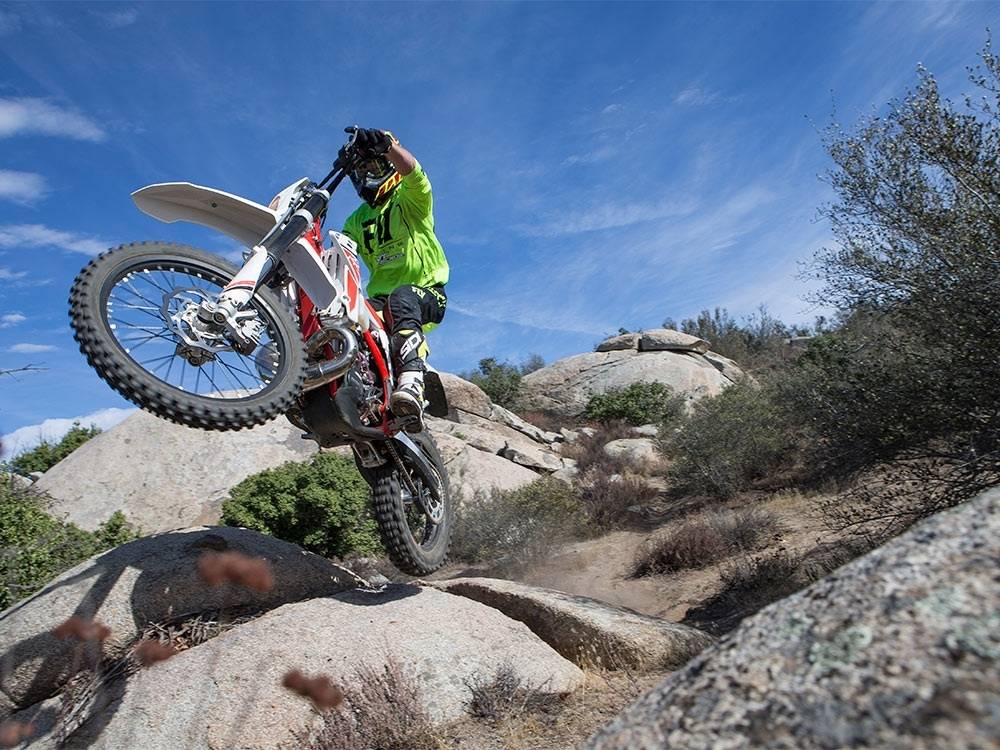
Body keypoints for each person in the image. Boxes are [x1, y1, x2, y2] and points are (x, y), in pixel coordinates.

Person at [339, 127, 448, 431]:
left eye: (373, 167)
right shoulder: (357, 219)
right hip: (381, 302)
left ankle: (413, 379)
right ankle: (360, 392)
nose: (367, 175)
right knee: (346, 317)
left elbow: (413, 172)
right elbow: (340, 249)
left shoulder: (410, 198)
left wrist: (387, 146)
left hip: (426, 293)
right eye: (361, 170)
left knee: (402, 297)